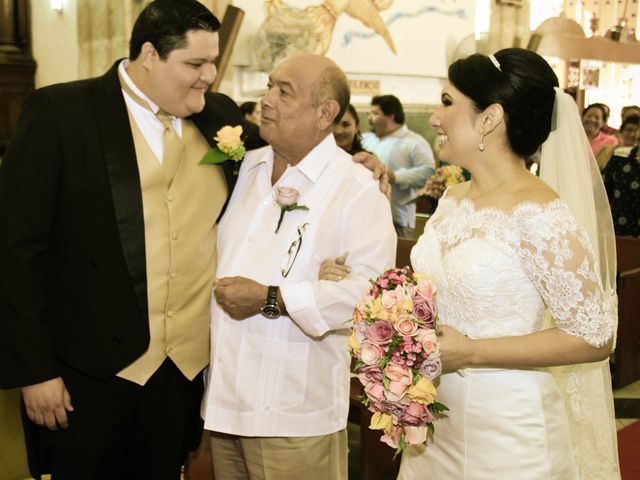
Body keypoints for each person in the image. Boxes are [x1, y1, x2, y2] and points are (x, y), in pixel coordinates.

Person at [0, 1, 267, 478]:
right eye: (195, 63)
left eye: (212, 61)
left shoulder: (218, 116)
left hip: (180, 371)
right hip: (87, 371)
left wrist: (355, 166)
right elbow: (16, 252)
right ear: (149, 54)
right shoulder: (62, 113)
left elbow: (281, 164)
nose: (210, 75)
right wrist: (34, 370)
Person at [328, 48, 620, 479]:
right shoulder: (452, 198)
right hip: (435, 421)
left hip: (509, 431)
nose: (435, 118)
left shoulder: (539, 212)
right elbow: (434, 287)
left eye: (447, 103)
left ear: (490, 118)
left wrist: (472, 352)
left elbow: (594, 336)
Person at [200, 54, 396, 480]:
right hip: (223, 404)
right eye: (269, 86)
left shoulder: (356, 188)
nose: (266, 100)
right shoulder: (242, 167)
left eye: (283, 91)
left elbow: (371, 296)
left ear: (325, 113)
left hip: (292, 411)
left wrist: (272, 297)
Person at [363, 94, 435, 238]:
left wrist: (395, 176)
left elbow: (428, 173)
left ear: (391, 116)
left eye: (375, 113)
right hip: (366, 217)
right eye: (370, 113)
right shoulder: (366, 139)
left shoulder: (414, 142)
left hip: (397, 218)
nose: (370, 118)